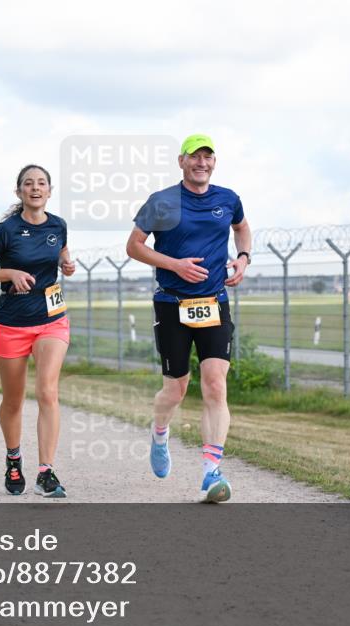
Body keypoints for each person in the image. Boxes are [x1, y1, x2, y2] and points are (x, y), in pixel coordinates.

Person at [126, 134, 251, 503]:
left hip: (214, 302)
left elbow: (242, 227)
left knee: (215, 384)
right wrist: (174, 265)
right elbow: (133, 246)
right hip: (172, 303)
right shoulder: (162, 201)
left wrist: (243, 258)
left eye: (208, 157)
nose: (202, 163)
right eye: (195, 157)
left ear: (214, 162)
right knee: (176, 387)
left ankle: (211, 472)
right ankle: (160, 431)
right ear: (181, 161)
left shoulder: (228, 199)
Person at [0, 165, 76, 498]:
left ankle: (46, 472)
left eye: (41, 183)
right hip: (11, 324)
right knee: (13, 400)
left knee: (47, 391)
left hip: (51, 319)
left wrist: (68, 265)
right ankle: (14, 458)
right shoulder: (7, 230)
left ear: (49, 190)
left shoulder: (58, 225)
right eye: (28, 184)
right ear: (18, 192)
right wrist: (10, 273)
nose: (35, 188)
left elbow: (62, 256)